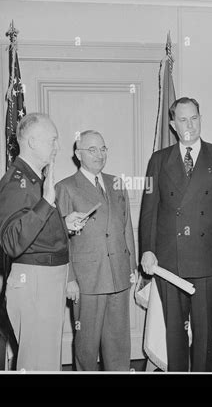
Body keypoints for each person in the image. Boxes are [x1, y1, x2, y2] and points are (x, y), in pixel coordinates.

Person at [140, 97, 212, 371]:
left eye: (194, 118)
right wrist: (147, 248)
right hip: (170, 262)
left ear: (200, 119)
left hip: (208, 261)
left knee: (205, 336)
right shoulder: (158, 160)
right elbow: (149, 209)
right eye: (183, 119)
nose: (189, 124)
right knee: (174, 336)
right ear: (173, 124)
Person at [0, 112, 86, 371]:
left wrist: (63, 222)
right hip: (35, 280)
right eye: (53, 140)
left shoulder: (35, 179)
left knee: (45, 363)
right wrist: (47, 201)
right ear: (32, 142)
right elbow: (12, 240)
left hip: (47, 279)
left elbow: (34, 229)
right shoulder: (16, 182)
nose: (58, 147)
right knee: (37, 366)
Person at [56, 130, 137, 371]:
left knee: (119, 346)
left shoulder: (117, 183)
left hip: (118, 276)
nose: (99, 154)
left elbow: (126, 229)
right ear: (77, 154)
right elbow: (60, 238)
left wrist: (131, 268)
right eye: (92, 149)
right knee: (86, 347)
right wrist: (69, 279)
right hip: (86, 282)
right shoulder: (66, 188)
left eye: (103, 149)